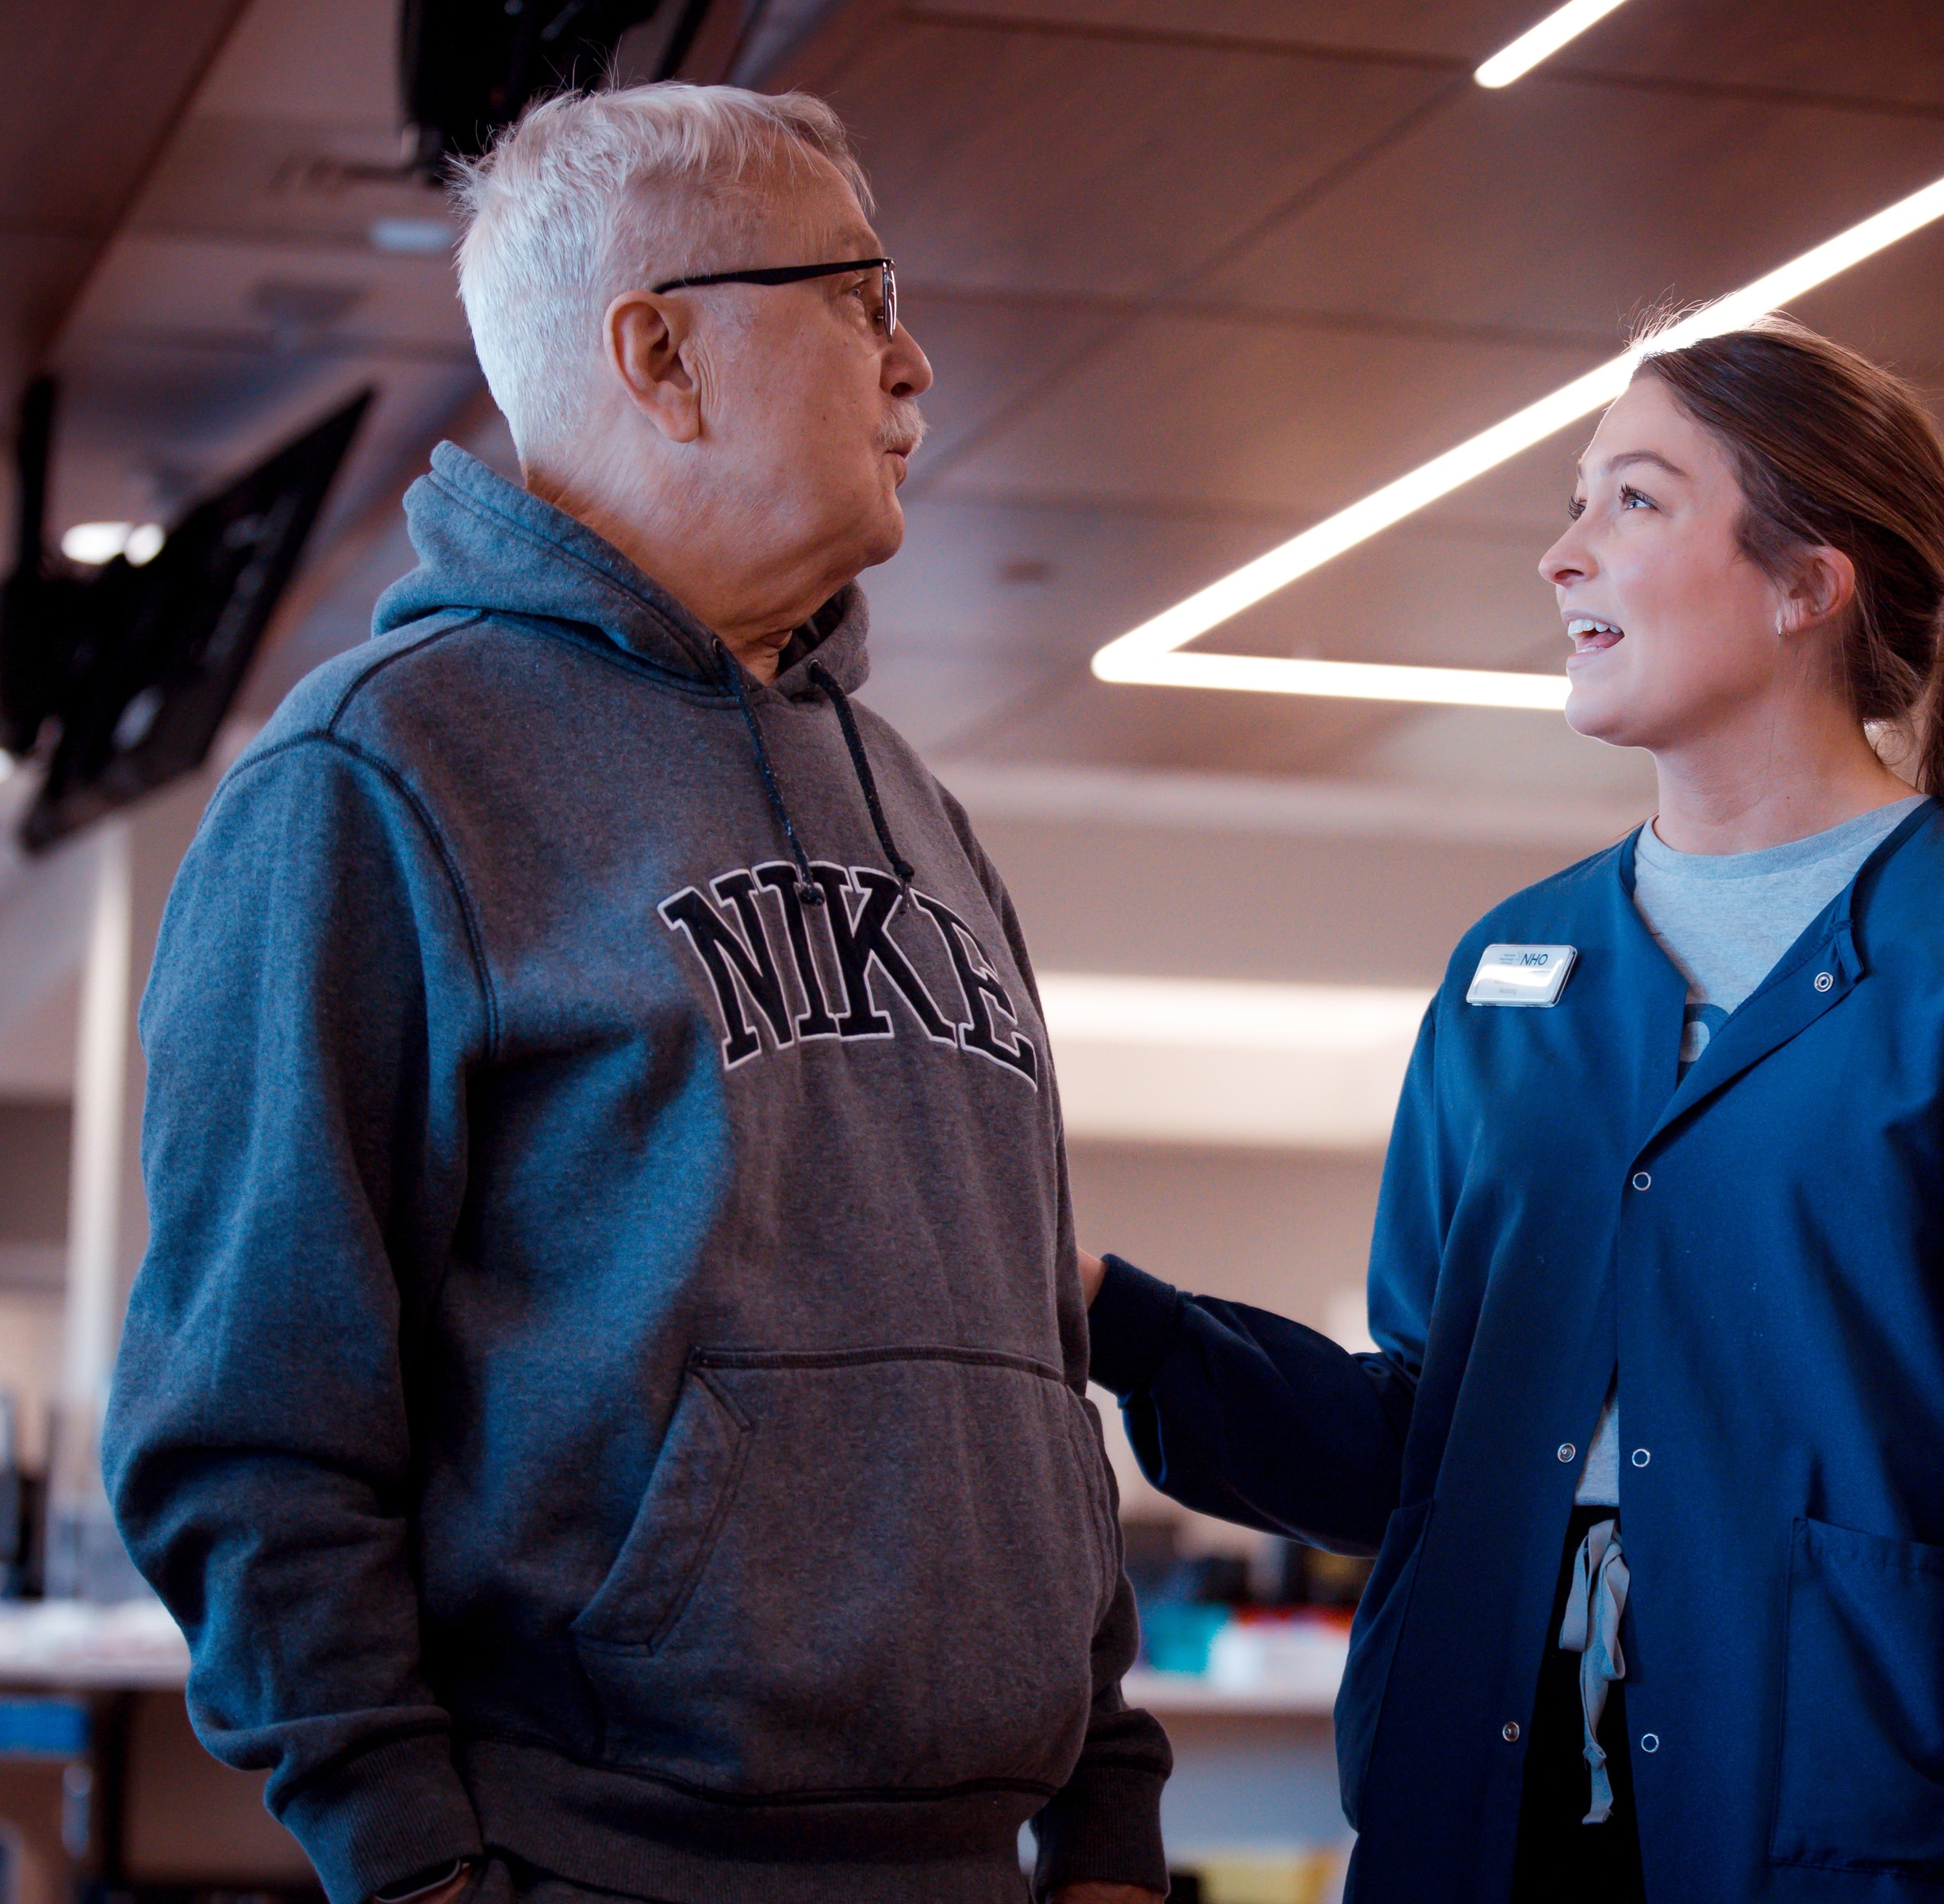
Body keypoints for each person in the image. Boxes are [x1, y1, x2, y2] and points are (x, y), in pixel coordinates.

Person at [103, 85, 1167, 1904]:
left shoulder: (917, 805)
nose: (915, 364)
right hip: (593, 1864)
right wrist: (419, 1872)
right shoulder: (372, 785)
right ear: (660, 352)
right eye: (861, 295)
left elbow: (1026, 1371)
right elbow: (249, 1433)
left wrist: (1109, 1821)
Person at [1082, 318, 1944, 1902]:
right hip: (1472, 1820)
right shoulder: (1512, 976)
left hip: (1836, 1828)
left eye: (1631, 500)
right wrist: (1121, 1327)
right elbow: (1418, 1441)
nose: (1560, 558)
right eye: (1576, 503)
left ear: (1805, 583)